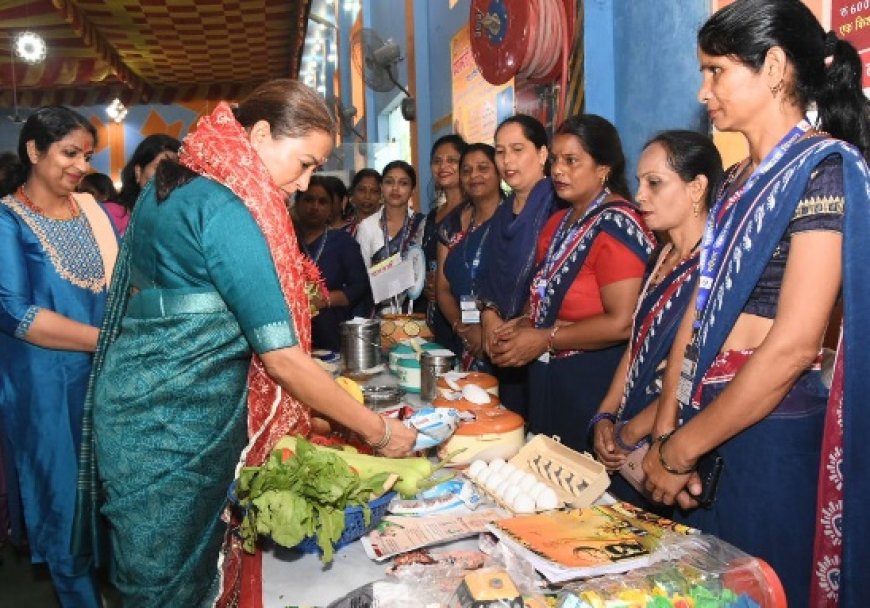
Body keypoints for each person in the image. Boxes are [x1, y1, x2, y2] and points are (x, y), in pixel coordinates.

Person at [75, 80, 417, 608]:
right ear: (259, 135)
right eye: (304, 163)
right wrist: (376, 430)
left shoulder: (173, 184)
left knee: (150, 577)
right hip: (179, 427)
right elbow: (281, 358)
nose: (305, 186)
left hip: (134, 410)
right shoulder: (227, 208)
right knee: (175, 585)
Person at [640, 2, 870, 604]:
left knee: (760, 586)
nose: (703, 89)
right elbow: (702, 300)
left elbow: (794, 346)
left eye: (716, 70)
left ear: (773, 67)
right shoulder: (739, 179)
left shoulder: (823, 169)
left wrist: (681, 448)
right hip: (701, 415)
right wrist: (669, 428)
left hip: (770, 425)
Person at [0, 106, 118, 607]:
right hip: (43, 387)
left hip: (105, 379)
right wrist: (109, 340)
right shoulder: (7, 219)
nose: (80, 166)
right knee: (63, 505)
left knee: (113, 498)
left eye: (86, 156)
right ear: (34, 150)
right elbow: (16, 315)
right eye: (70, 153)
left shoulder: (91, 211)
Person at [490, 115, 655, 452]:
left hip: (593, 381)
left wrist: (545, 338)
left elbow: (624, 323)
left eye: (572, 161)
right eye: (554, 161)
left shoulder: (618, 225)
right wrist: (520, 324)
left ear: (603, 167)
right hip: (549, 380)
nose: (558, 170)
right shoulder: (558, 222)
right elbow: (544, 294)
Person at [591, 131, 722, 509]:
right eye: (638, 182)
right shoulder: (661, 256)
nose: (639, 195)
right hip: (628, 438)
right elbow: (636, 345)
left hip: (670, 442)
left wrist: (632, 430)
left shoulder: (713, 270)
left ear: (697, 187)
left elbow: (695, 375)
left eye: (654, 183)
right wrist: (605, 415)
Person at [476, 115, 558, 416]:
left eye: (518, 149)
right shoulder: (502, 213)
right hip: (501, 343)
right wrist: (488, 316)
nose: (507, 160)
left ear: (542, 154)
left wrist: (523, 321)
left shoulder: (557, 204)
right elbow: (486, 276)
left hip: (543, 345)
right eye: (500, 151)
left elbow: (556, 277)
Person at [435, 143, 504, 370]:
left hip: (503, 339)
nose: (474, 176)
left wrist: (488, 331)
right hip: (462, 337)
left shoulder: (514, 219)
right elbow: (442, 288)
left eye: (483, 168)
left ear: (498, 171)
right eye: (466, 170)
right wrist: (462, 327)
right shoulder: (451, 225)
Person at [295, 175, 373, 351]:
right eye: (309, 200)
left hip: (330, 330)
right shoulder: (285, 241)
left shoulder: (343, 242)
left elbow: (360, 287)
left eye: (323, 202)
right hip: (292, 330)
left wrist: (324, 300)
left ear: (331, 209)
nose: (315, 207)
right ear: (298, 204)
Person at [355, 160, 426, 311]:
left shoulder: (421, 224)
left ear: (412, 189)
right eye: (389, 182)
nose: (395, 188)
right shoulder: (367, 226)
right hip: (377, 311)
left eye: (403, 183)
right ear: (381, 187)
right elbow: (360, 275)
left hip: (415, 311)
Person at [422, 135, 467, 348]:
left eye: (452, 160)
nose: (443, 166)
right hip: (433, 311)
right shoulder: (433, 216)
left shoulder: (472, 212)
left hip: (463, 311)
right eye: (437, 161)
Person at [105, 134, 181, 235]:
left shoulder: (178, 219)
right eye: (160, 168)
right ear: (138, 171)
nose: (167, 176)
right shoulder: (111, 213)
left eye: (175, 171)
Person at [344, 168, 382, 236]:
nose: (367, 196)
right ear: (353, 192)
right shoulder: (344, 228)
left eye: (374, 191)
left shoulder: (386, 227)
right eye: (361, 190)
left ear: (381, 195)